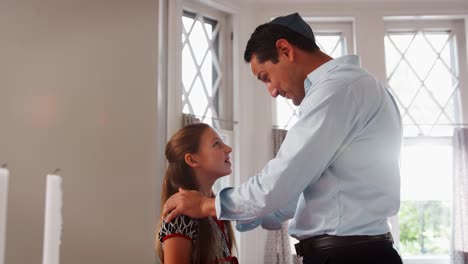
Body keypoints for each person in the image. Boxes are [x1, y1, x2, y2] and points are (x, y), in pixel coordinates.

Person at [163, 12, 403, 264]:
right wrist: (242, 212)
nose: (273, 91)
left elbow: (279, 182)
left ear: (285, 50)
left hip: (348, 256)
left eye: (266, 77)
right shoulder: (360, 86)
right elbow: (309, 191)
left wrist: (207, 206)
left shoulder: (336, 90)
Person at [155, 123, 238, 264]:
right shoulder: (180, 217)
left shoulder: (216, 211)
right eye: (217, 144)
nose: (228, 149)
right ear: (192, 160)